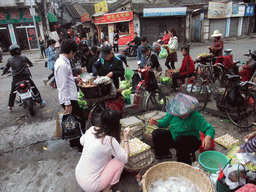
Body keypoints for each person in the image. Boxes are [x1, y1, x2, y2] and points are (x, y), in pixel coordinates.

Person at [150, 92, 215, 165]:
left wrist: (208, 137)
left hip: (191, 141)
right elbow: (164, 123)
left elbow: (209, 128)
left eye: (186, 112)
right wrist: (157, 122)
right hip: (175, 137)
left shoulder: (195, 116)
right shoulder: (172, 113)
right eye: (180, 113)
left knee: (180, 141)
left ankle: (183, 164)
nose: (183, 114)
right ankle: (163, 153)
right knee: (156, 133)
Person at [75, 109, 130, 192]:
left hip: (79, 175)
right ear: (116, 125)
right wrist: (126, 138)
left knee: (106, 156)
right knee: (120, 162)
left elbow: (81, 141)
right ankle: (107, 189)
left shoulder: (92, 129)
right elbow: (125, 158)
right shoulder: (110, 141)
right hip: (92, 185)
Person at [54, 39, 86, 152]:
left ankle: (73, 143)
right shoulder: (62, 65)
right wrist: (67, 104)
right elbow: (63, 86)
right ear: (71, 51)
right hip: (68, 99)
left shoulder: (64, 61)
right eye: (74, 52)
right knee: (79, 121)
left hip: (69, 97)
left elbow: (66, 79)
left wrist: (75, 78)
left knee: (73, 120)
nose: (75, 54)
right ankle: (80, 146)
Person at [2, 44, 45, 111]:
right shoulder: (23, 58)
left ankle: (10, 106)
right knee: (34, 88)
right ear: (19, 51)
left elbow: (6, 69)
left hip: (16, 79)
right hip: (26, 77)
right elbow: (30, 64)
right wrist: (29, 65)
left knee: (13, 92)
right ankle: (41, 102)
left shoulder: (9, 60)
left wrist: (3, 73)